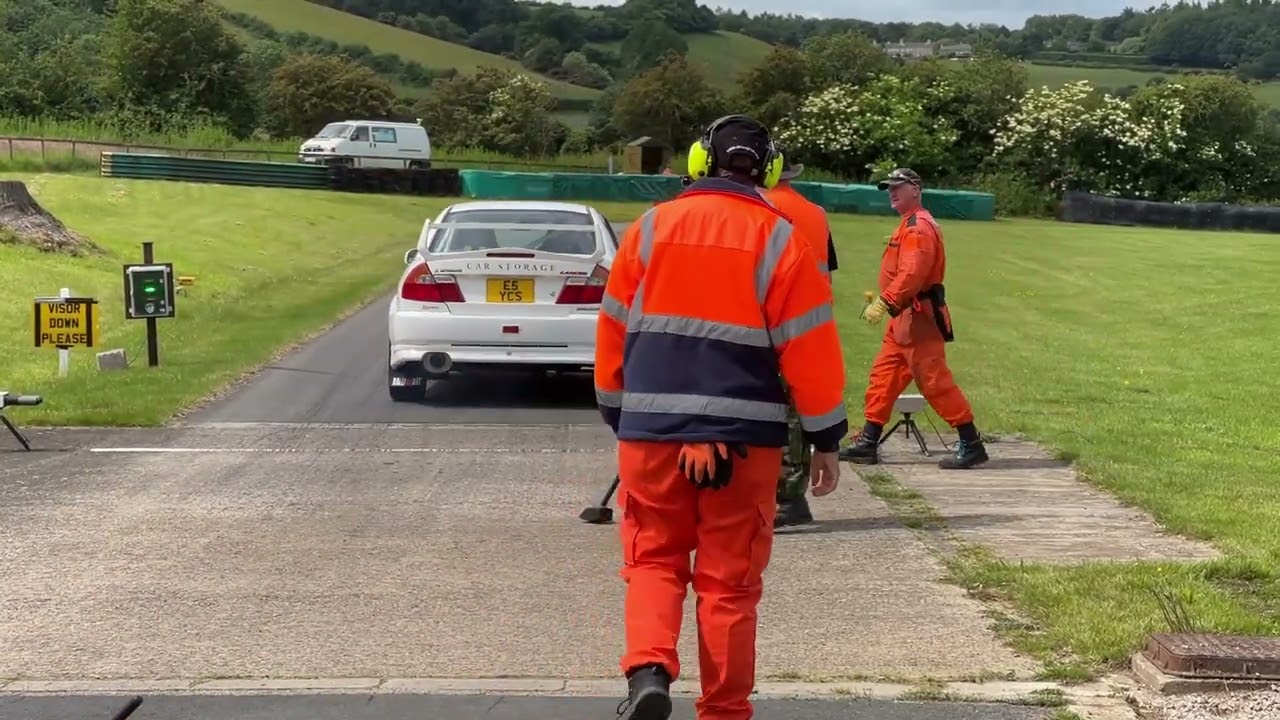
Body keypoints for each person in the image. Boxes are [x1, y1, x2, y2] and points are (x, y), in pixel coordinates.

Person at [594, 115, 849, 720]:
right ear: (770, 170)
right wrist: (826, 438)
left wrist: (618, 411)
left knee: (652, 558)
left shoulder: (651, 228)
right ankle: (725, 710)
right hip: (747, 441)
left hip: (652, 435)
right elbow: (811, 349)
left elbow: (612, 328)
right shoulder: (783, 238)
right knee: (729, 582)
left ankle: (649, 672)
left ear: (697, 162)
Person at [839, 167, 988, 470]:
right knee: (884, 377)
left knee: (935, 382)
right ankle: (868, 442)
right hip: (904, 321)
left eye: (898, 187)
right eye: (889, 188)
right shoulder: (909, 224)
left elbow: (913, 273)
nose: (892, 192)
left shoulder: (918, 228)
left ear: (916, 189)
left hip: (918, 319)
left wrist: (885, 302)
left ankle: (971, 444)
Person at [762, 147, 840, 529]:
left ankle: (786, 498)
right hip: (813, 318)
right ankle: (791, 494)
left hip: (772, 315)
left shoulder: (761, 206)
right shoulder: (817, 212)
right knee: (797, 407)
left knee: (776, 410)